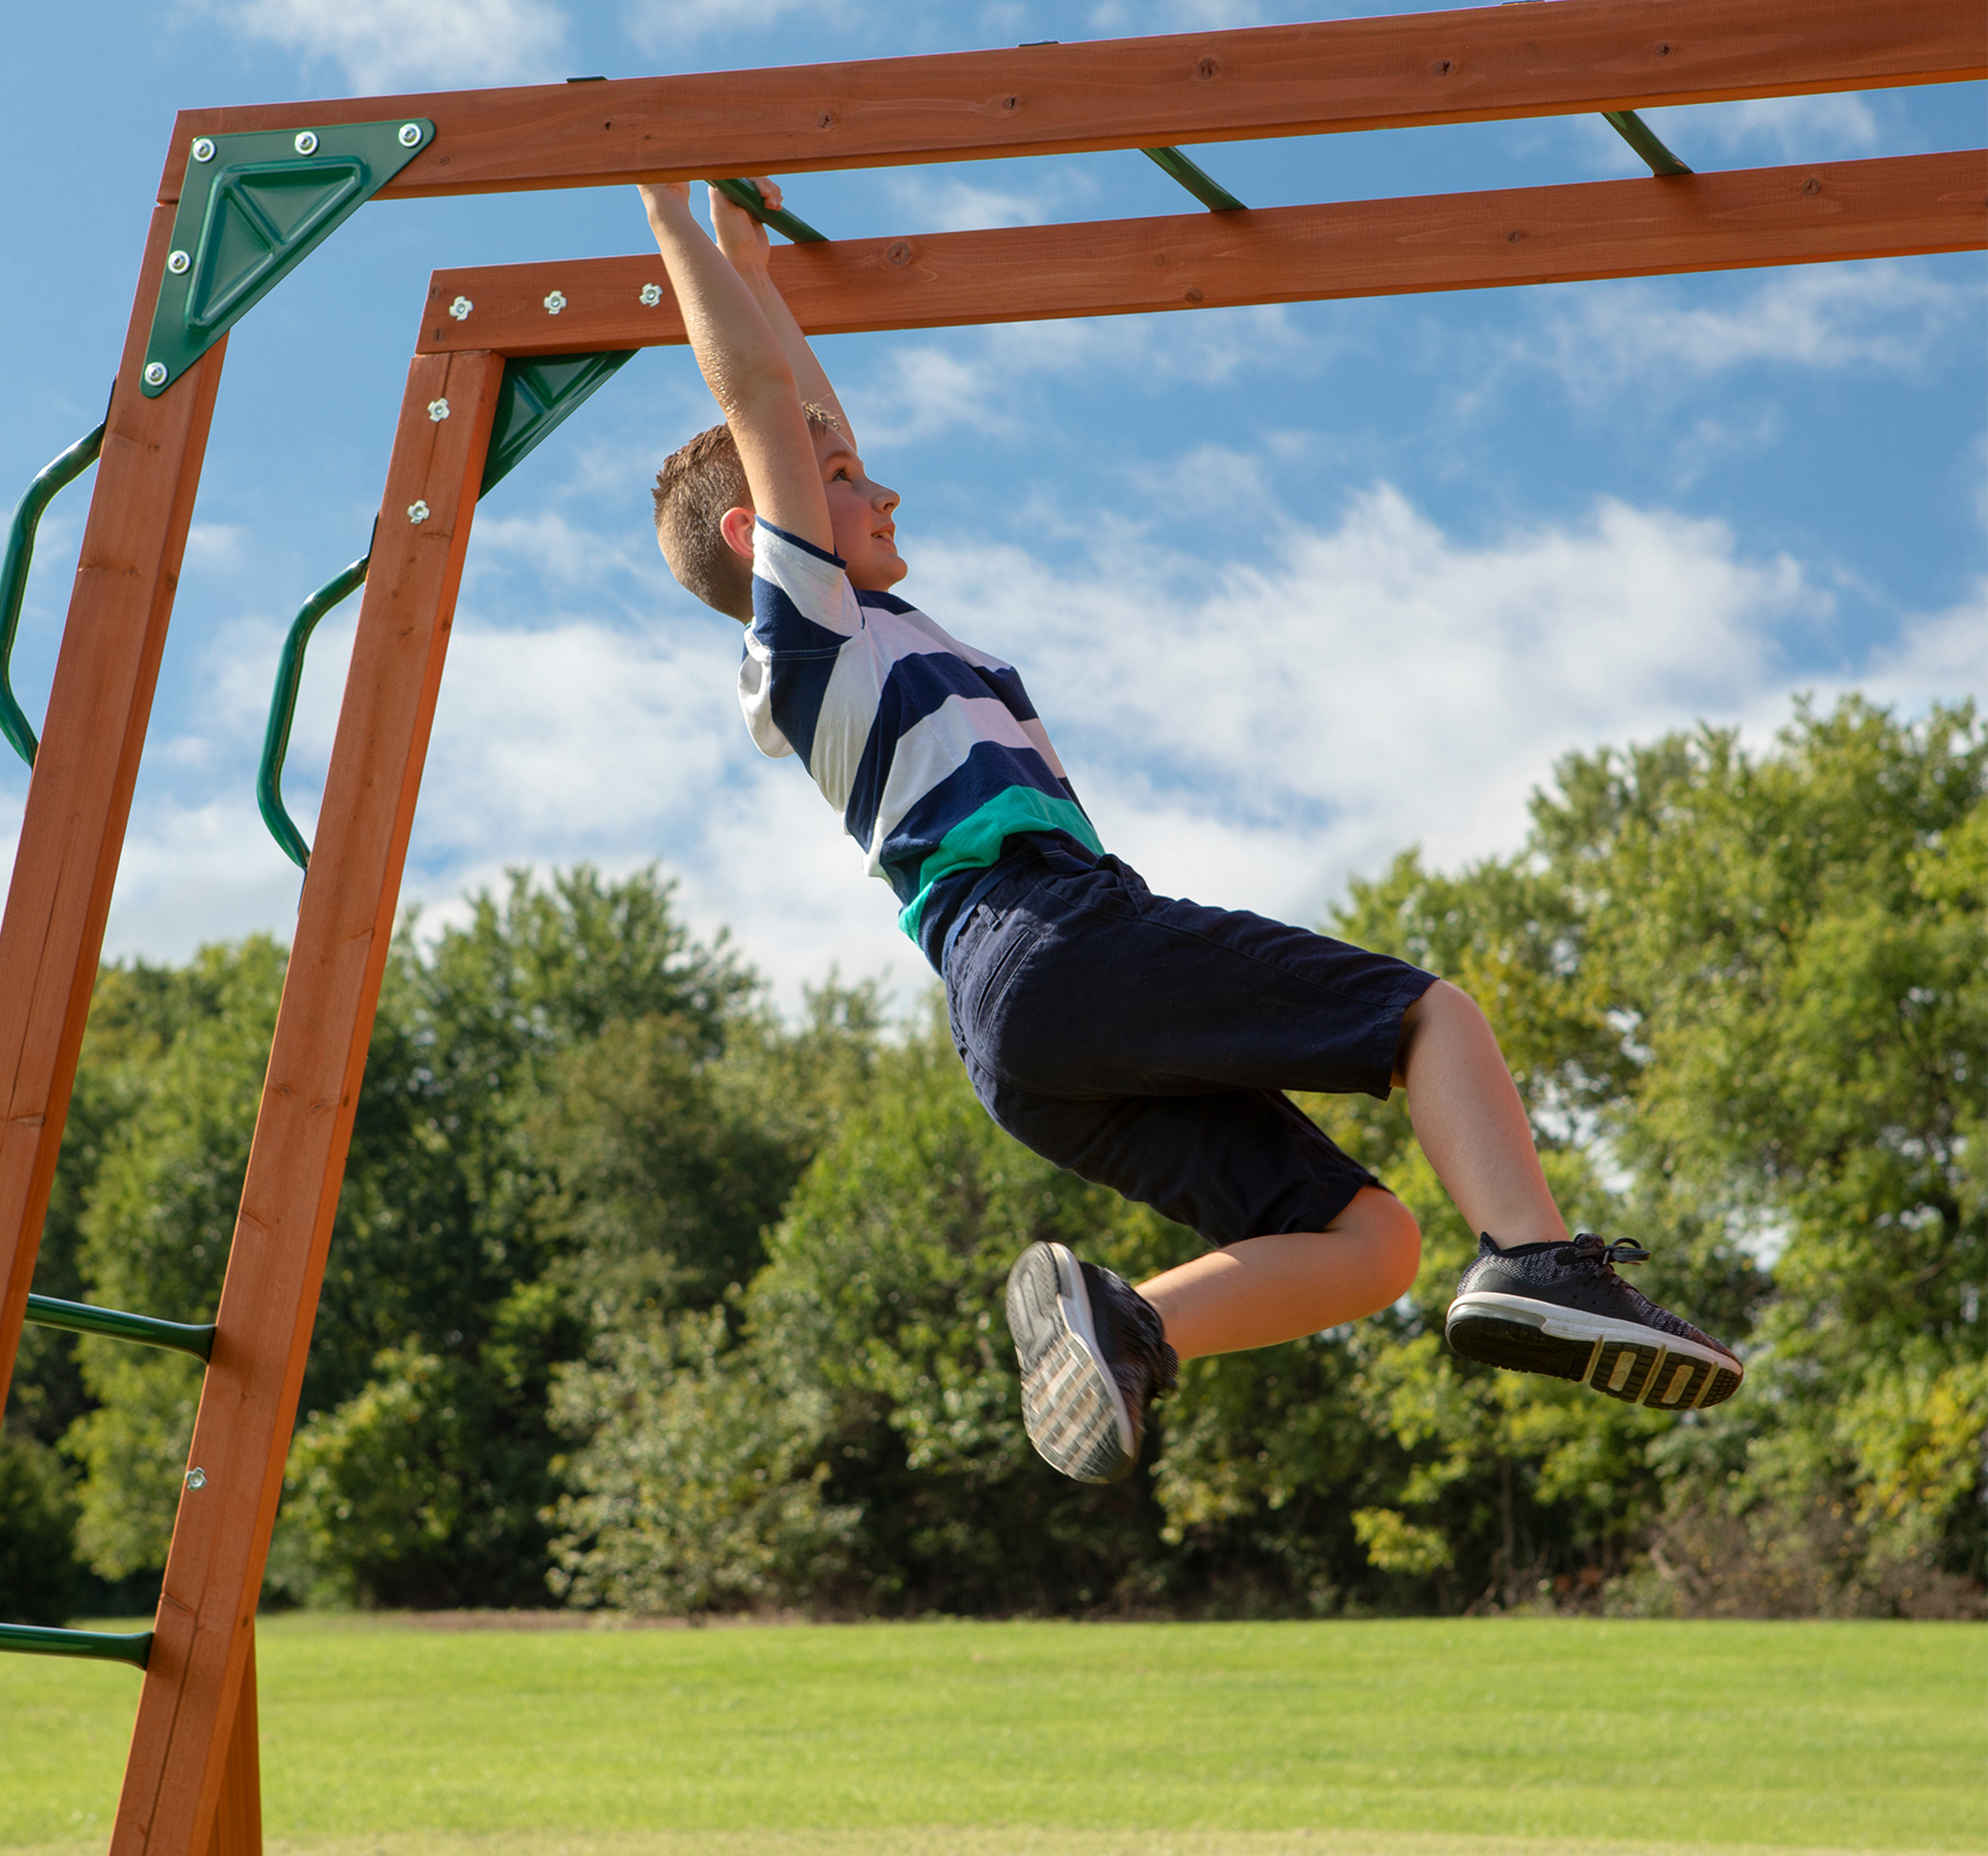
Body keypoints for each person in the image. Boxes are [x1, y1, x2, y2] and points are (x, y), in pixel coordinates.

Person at [640, 177, 1743, 1487]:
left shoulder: (865, 635)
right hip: (1051, 935)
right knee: (1431, 1020)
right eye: (839, 481)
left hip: (1019, 1040)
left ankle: (1126, 1325)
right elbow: (764, 403)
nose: (879, 486)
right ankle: (1536, 1259)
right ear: (760, 533)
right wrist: (666, 199)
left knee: (1372, 1243)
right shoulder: (809, 630)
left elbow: (798, 405)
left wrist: (751, 246)